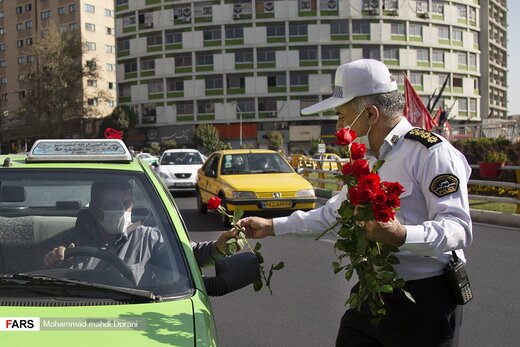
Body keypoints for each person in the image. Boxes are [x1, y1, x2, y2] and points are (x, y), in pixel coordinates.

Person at [239, 59, 472, 346]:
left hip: (424, 301)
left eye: (341, 115)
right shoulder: (366, 161)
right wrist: (270, 226)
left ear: (371, 113)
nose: (338, 125)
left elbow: (458, 228)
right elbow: (333, 216)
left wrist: (400, 235)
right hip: (372, 292)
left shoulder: (430, 153)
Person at [43, 180, 237, 285]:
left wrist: (220, 247)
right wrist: (59, 263)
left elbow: (190, 255)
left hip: (133, 313)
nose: (121, 210)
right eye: (112, 205)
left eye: (126, 204)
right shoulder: (72, 240)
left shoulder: (149, 238)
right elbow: (44, 281)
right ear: (94, 208)